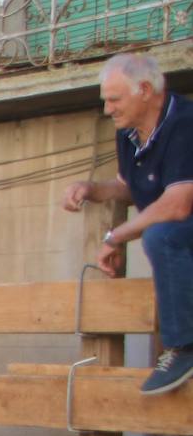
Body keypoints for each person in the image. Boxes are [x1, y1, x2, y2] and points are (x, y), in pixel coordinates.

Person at [63, 53, 193, 395]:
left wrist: (116, 236)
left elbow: (178, 203)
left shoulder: (185, 123)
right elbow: (129, 187)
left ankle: (184, 348)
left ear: (145, 90)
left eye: (114, 99)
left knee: (161, 236)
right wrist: (92, 189)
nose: (108, 109)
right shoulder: (129, 132)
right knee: (161, 236)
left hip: (182, 225)